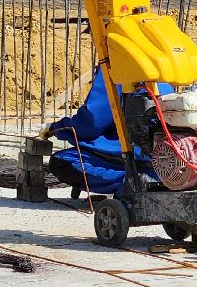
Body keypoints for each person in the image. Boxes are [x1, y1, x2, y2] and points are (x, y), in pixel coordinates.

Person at [43, 67, 163, 197]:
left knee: (62, 161)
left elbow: (92, 122)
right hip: (171, 160)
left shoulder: (117, 60)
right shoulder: (176, 59)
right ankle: (160, 180)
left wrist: (57, 128)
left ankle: (136, 182)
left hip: (134, 154)